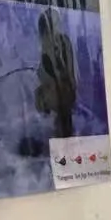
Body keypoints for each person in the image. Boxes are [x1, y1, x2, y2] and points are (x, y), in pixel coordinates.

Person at [34, 8, 77, 140]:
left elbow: (64, 78)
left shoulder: (61, 45)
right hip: (61, 103)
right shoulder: (57, 46)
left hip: (62, 102)